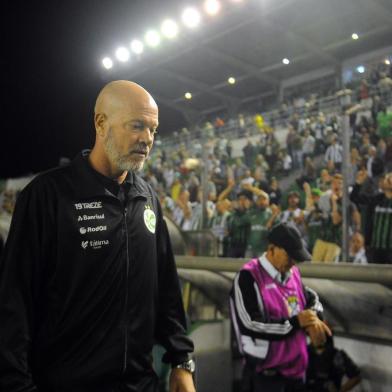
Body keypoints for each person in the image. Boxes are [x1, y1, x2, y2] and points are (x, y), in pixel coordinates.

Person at [0, 81, 195, 392]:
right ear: (101, 123)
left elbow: (167, 290)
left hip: (142, 385)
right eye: (137, 125)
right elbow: (14, 304)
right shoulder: (47, 196)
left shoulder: (149, 199)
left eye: (153, 130)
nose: (147, 139)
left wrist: (182, 361)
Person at [230, 223, 331, 392]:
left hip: (296, 376)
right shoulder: (248, 277)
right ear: (271, 249)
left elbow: (310, 298)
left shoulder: (293, 274)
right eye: (289, 256)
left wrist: (313, 318)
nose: (293, 262)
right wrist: (295, 323)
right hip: (266, 378)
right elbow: (250, 324)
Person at [350, 170, 392, 263]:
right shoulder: (377, 199)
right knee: (374, 276)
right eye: (387, 178)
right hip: (375, 249)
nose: (389, 179)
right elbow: (354, 198)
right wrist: (358, 183)